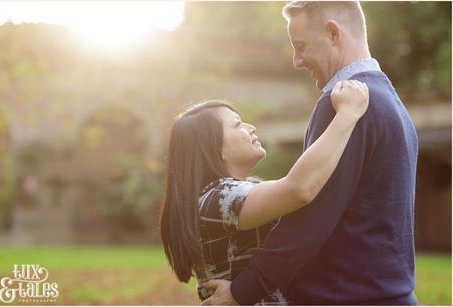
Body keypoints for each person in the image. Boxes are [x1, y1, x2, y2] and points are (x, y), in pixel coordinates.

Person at [203, 1, 419, 305]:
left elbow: (308, 218)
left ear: (333, 32)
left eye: (300, 46)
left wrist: (242, 291)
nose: (297, 61)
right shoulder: (391, 102)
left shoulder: (342, 103)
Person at [160, 80, 369, 304]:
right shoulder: (218, 198)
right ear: (215, 148)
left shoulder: (231, 192)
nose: (251, 127)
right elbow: (299, 189)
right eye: (238, 125)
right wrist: (347, 114)